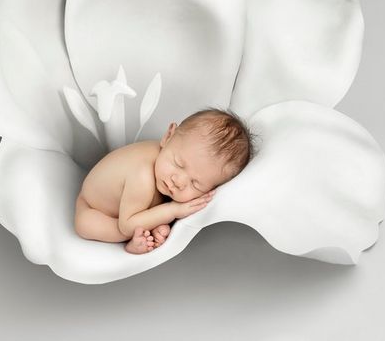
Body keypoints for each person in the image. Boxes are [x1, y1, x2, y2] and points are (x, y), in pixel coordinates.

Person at [75, 108, 255, 254]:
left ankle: (146, 230)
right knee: (89, 225)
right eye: (178, 163)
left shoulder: (169, 162)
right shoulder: (142, 176)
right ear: (168, 137)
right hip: (94, 208)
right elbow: (126, 226)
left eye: (195, 183)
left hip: (132, 207)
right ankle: (134, 243)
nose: (178, 181)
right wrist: (172, 210)